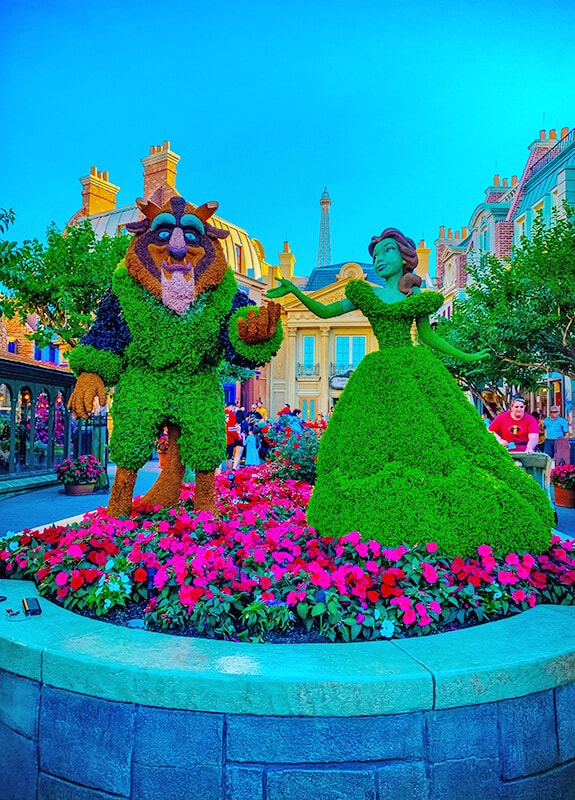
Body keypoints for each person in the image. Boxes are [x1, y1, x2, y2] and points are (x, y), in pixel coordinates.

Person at [267, 227, 553, 555]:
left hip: (413, 368)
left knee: (436, 435)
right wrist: (296, 292)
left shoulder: (414, 297)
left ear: (404, 257)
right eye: (376, 254)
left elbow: (429, 337)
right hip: (378, 374)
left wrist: (468, 355)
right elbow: (327, 312)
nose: (378, 258)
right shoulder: (366, 294)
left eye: (386, 251)